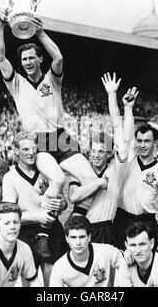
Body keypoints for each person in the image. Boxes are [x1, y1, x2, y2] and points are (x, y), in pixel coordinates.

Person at [0, 9, 97, 216]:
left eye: (32, 58)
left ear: (41, 59)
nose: (28, 62)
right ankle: (44, 227)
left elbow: (58, 58)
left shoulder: (52, 79)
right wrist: (0, 26)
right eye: (24, 59)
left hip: (61, 138)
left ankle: (77, 219)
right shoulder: (17, 84)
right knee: (57, 179)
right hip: (37, 141)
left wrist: (39, 32)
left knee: (92, 181)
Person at [103, 73, 158, 251]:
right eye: (139, 141)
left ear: (156, 143)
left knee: (145, 269)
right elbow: (118, 125)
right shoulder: (129, 158)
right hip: (123, 218)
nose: (142, 145)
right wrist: (125, 105)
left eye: (146, 141)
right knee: (121, 265)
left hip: (147, 221)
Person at [67, 73, 131, 245]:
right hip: (81, 230)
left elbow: (118, 128)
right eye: (93, 151)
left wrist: (111, 96)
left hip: (105, 229)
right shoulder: (80, 170)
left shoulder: (114, 169)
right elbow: (73, 197)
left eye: (101, 151)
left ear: (109, 154)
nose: (95, 155)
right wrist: (97, 183)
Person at [2, 131, 68, 286]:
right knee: (29, 281)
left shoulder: (46, 171)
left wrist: (61, 204)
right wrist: (37, 217)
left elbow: (63, 202)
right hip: (27, 233)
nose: (31, 153)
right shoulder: (10, 178)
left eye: (34, 149)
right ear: (16, 151)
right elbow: (9, 214)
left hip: (52, 231)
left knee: (53, 282)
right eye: (25, 149)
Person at [49, 215, 122, 287]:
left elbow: (126, 258)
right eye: (73, 237)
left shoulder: (105, 251)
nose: (78, 243)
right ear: (67, 239)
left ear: (89, 237)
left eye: (82, 237)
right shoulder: (60, 267)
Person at [115, 221, 158, 287]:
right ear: (126, 246)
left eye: (142, 244)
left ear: (151, 243)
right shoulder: (125, 263)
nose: (138, 250)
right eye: (133, 245)